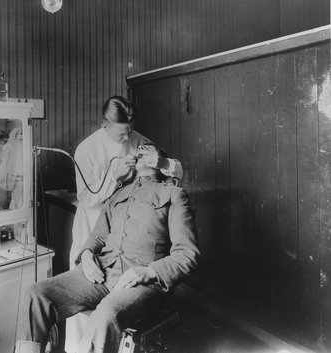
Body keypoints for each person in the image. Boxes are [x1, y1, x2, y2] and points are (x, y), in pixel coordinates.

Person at [15, 144, 200, 353]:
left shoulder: (174, 194)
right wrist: (86, 255)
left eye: (148, 151)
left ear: (160, 161)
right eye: (139, 152)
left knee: (105, 314)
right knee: (37, 294)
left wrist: (148, 272)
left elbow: (187, 254)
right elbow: (97, 236)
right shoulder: (118, 194)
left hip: (144, 283)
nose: (140, 153)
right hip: (103, 275)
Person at [67, 95, 180, 351]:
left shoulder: (141, 141)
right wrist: (115, 178)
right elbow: (86, 199)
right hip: (94, 229)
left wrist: (156, 163)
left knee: (116, 308)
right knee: (84, 303)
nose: (127, 139)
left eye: (129, 130)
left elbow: (173, 171)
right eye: (121, 134)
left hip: (130, 239)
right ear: (104, 125)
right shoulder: (87, 150)